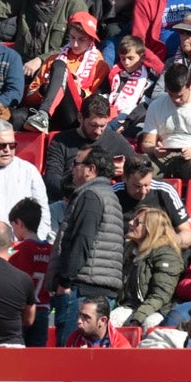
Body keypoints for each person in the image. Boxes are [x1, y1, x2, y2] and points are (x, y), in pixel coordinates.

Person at [46, 145, 125, 342]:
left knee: (69, 353)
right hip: (97, 287)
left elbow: (82, 240)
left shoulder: (90, 195)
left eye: (76, 164)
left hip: (83, 289)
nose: (72, 169)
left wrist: (65, 280)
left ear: (91, 169)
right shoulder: (107, 195)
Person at [113, 206, 184, 330]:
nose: (130, 223)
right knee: (112, 319)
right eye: (132, 219)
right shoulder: (130, 250)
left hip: (160, 310)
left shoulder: (167, 255)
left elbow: (160, 296)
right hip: (132, 305)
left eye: (137, 222)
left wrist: (137, 317)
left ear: (151, 229)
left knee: (150, 323)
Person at [64, 296, 132, 348]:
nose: (79, 321)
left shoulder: (119, 346)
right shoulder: (75, 339)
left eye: (86, 317)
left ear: (103, 321)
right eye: (80, 315)